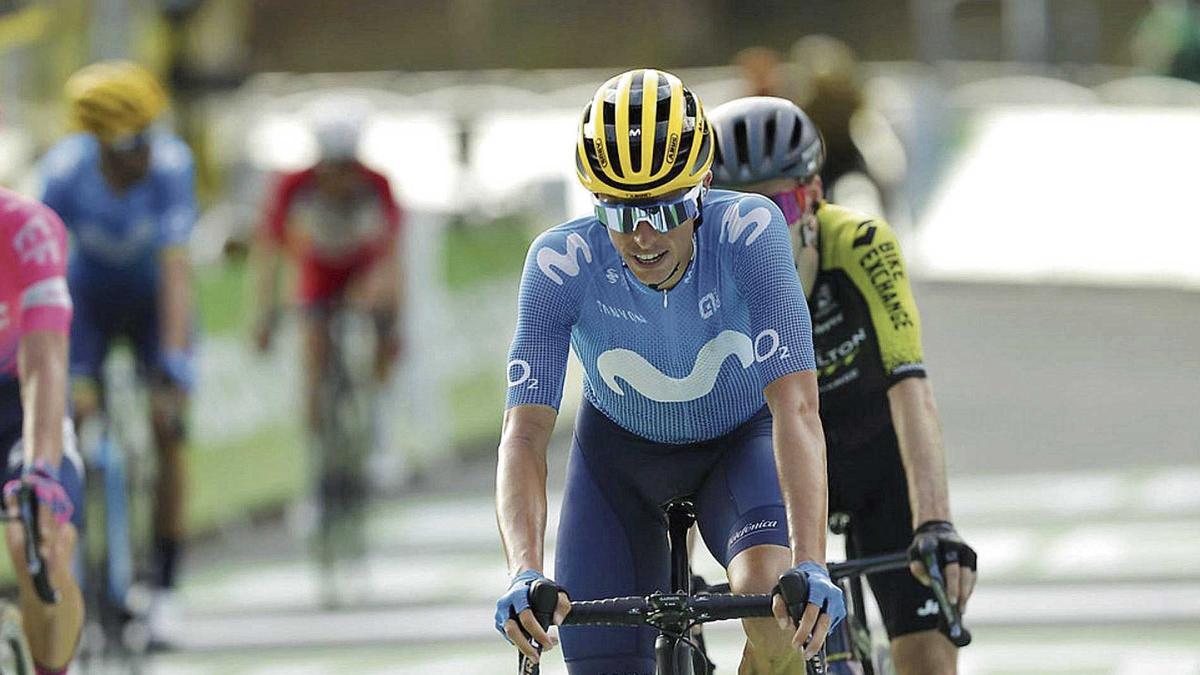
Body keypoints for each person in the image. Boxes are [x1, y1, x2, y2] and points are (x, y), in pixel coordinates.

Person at [494, 68, 844, 674]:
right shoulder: (559, 263)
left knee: (777, 608)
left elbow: (797, 408)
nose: (644, 235)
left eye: (664, 207)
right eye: (622, 212)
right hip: (618, 463)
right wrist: (524, 567)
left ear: (703, 186)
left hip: (737, 444)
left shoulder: (751, 232)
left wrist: (809, 560)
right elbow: (523, 434)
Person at [708, 96, 977, 675]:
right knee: (779, 645)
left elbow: (910, 387)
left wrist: (935, 520)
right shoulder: (706, 273)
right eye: (739, 208)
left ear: (812, 197)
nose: (761, 225)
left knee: (929, 661)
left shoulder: (860, 244)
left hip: (877, 466)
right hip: (779, 479)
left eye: (777, 203)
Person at [38, 60, 197, 645]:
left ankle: (168, 590)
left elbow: (177, 271)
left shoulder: (173, 168)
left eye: (152, 136)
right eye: (135, 144)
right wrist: (61, 371)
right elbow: (44, 281)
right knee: (72, 425)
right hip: (87, 307)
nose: (148, 153)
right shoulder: (61, 175)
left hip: (154, 305)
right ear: (101, 145)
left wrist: (174, 363)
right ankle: (77, 575)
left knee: (168, 430)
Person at [251, 99, 403, 586]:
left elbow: (393, 257)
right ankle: (318, 454)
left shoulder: (377, 185)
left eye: (345, 168)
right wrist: (262, 313)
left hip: (364, 269)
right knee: (313, 348)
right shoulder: (293, 186)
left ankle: (375, 424)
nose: (338, 178)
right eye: (329, 168)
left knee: (386, 319)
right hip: (318, 274)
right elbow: (269, 253)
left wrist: (388, 317)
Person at [0, 185, 86, 674]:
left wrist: (41, 470)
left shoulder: (27, 229)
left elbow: (46, 360)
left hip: (17, 400)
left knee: (37, 542)